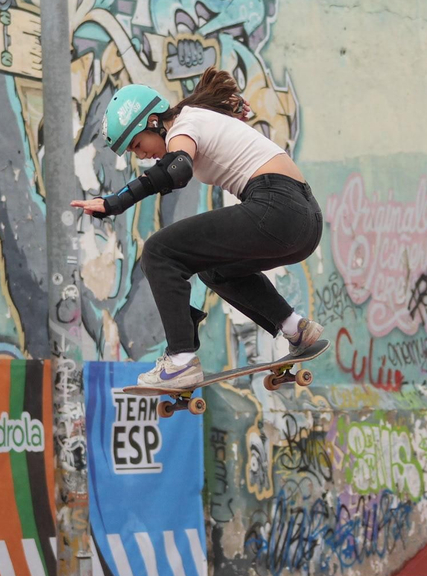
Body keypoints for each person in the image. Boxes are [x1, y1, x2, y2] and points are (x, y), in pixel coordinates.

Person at [76, 69, 325, 391]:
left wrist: (117, 201)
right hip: (302, 222)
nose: (141, 156)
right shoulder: (197, 118)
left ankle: (180, 360)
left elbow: (177, 169)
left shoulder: (183, 126)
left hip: (277, 208)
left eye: (138, 144)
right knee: (215, 271)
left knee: (159, 251)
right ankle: (296, 329)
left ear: (153, 121)